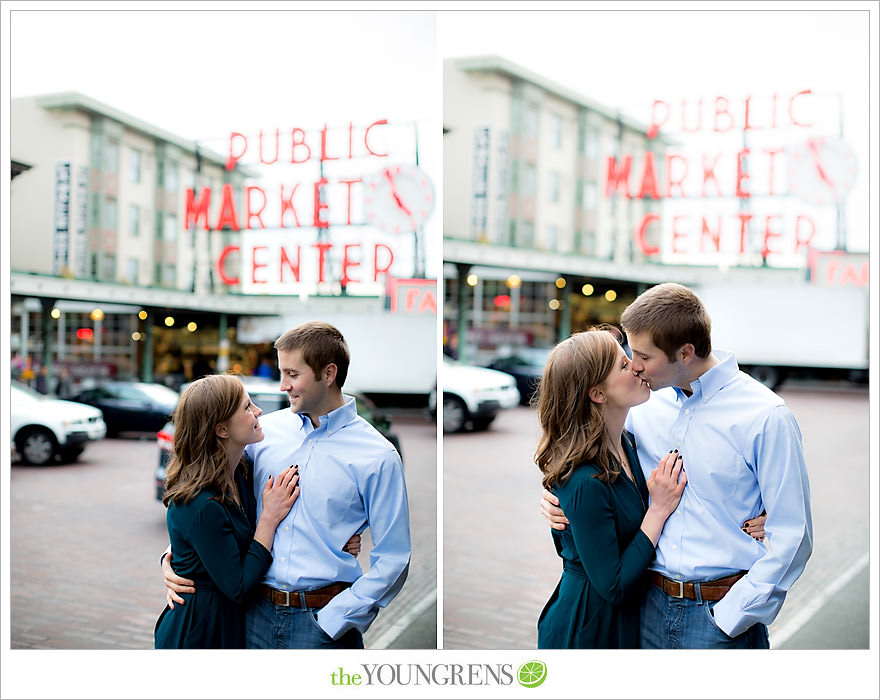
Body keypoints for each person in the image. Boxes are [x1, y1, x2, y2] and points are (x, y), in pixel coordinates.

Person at [542, 283, 812, 649]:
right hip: (644, 611)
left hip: (719, 617)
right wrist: (555, 501)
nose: (635, 367)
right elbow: (582, 444)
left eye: (642, 356)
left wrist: (732, 617)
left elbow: (793, 535)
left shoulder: (765, 416)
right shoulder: (641, 406)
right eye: (628, 355)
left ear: (685, 353)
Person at [162, 321, 411, 649]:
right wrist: (173, 558)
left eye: (292, 375)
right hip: (249, 618)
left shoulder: (378, 456)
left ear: (328, 373)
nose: (283, 386)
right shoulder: (261, 433)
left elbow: (393, 558)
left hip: (322, 622)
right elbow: (210, 501)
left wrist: (336, 619)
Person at [535, 328, 687, 648]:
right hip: (588, 627)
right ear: (598, 394)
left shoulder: (627, 444)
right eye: (623, 365)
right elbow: (613, 586)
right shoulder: (584, 480)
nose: (636, 366)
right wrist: (657, 510)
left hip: (626, 621)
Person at [154, 373, 300, 648]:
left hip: (228, 624)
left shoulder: (240, 471)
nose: (258, 411)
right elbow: (239, 588)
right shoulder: (200, 502)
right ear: (221, 429)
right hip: (199, 633)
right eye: (247, 407)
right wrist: (269, 519)